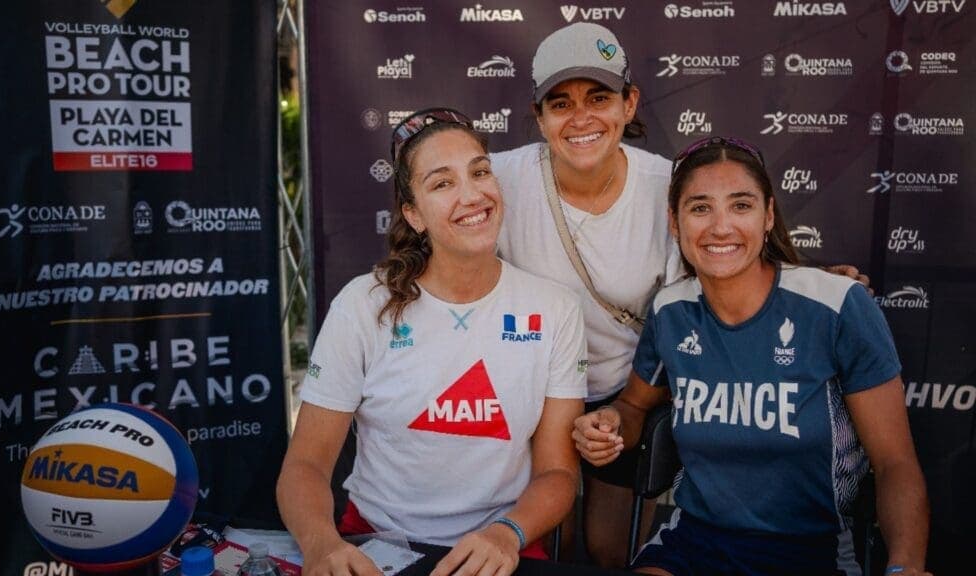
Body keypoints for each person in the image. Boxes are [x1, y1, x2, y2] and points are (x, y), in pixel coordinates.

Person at [492, 22, 870, 568]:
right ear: (539, 116)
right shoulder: (501, 180)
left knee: (604, 549)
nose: (581, 119)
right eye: (560, 103)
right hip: (532, 395)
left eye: (599, 98)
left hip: (624, 393)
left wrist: (809, 278)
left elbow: (721, 257)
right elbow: (446, 230)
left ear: (629, 103)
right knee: (545, 548)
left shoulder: (666, 186)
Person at [572, 136, 931, 576]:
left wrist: (905, 567)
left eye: (740, 206)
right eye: (700, 208)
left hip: (810, 552)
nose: (720, 227)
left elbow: (895, 463)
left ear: (769, 216)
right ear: (674, 221)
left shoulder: (838, 306)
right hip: (693, 543)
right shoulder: (671, 310)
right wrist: (609, 424)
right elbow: (633, 405)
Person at [276, 108, 588, 576]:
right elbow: (305, 464)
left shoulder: (555, 308)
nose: (472, 193)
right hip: (378, 543)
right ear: (413, 214)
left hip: (506, 545)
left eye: (480, 172)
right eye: (442, 183)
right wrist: (321, 544)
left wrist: (508, 533)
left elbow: (558, 474)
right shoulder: (362, 305)